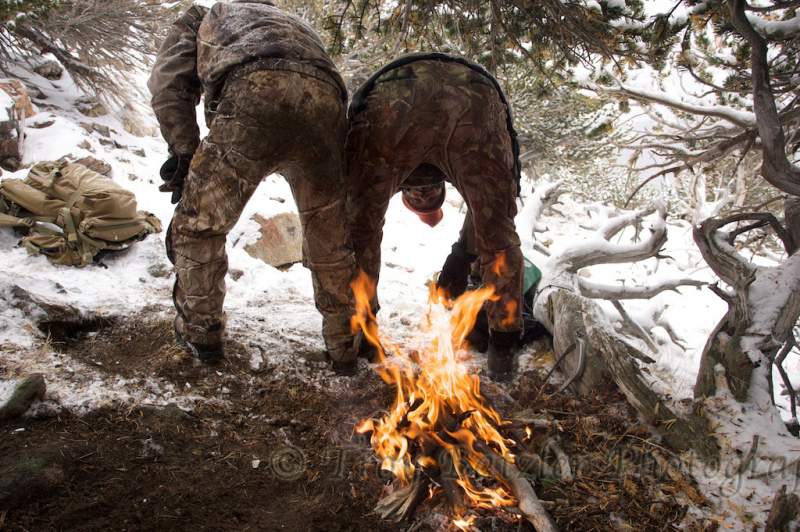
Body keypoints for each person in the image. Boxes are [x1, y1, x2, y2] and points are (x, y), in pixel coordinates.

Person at [148, 0, 359, 374]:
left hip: (254, 88)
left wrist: (184, 150)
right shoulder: (294, 24)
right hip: (326, 101)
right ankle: (344, 345)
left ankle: (201, 335)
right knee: (329, 239)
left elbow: (169, 83)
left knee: (199, 225)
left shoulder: (202, 16)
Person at [346, 52, 525, 380]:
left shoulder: (393, 162)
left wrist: (461, 255)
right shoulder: (460, 173)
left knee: (360, 228)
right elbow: (492, 212)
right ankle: (504, 351)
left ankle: (361, 337)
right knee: (497, 231)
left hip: (393, 95)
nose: (424, 192)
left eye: (424, 194)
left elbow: (357, 226)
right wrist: (463, 254)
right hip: (473, 94)